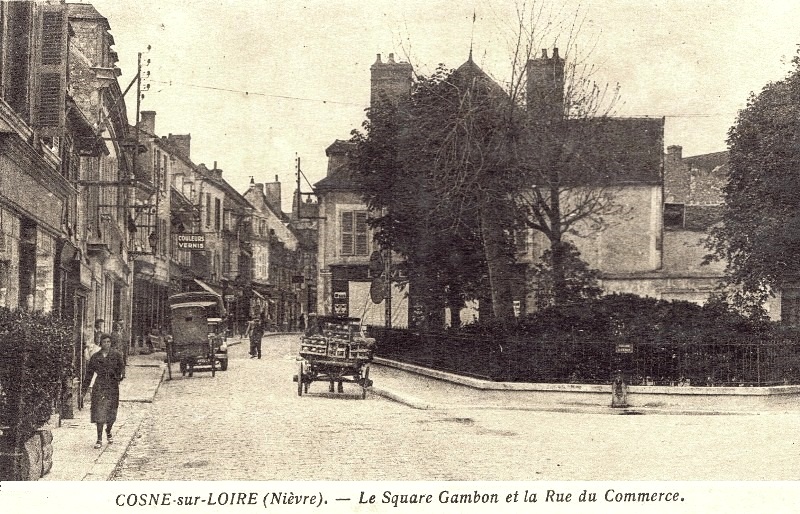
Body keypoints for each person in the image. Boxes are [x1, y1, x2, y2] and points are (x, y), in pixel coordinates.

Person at [80, 333, 124, 449]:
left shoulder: (117, 355)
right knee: (99, 413)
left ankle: (108, 430)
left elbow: (122, 369)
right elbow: (89, 374)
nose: (106, 344)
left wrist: (119, 377)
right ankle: (99, 439)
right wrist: (84, 390)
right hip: (99, 386)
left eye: (108, 342)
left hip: (112, 386)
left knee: (112, 413)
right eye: (104, 342)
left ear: (111, 343)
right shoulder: (95, 357)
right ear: (101, 343)